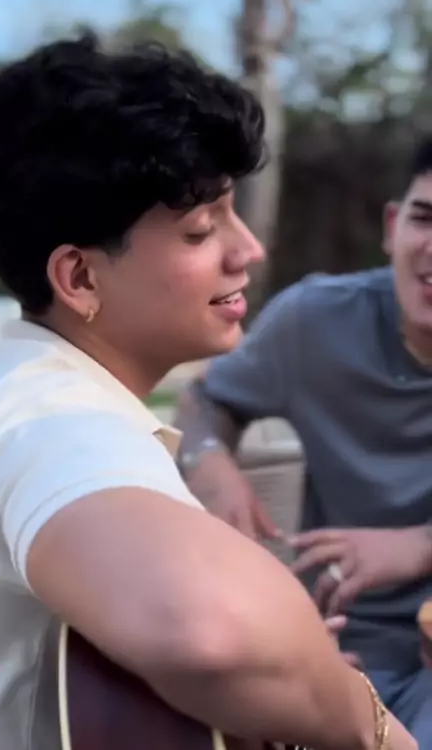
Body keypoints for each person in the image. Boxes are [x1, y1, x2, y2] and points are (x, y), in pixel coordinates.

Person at [0, 33, 412, 750]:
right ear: (79, 278)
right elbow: (207, 633)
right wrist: (371, 725)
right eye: (201, 230)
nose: (248, 249)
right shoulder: (48, 418)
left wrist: (288, 663)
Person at [175, 138, 432, 746]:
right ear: (393, 227)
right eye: (425, 219)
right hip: (340, 648)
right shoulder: (314, 321)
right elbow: (205, 401)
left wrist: (421, 546)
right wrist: (211, 465)